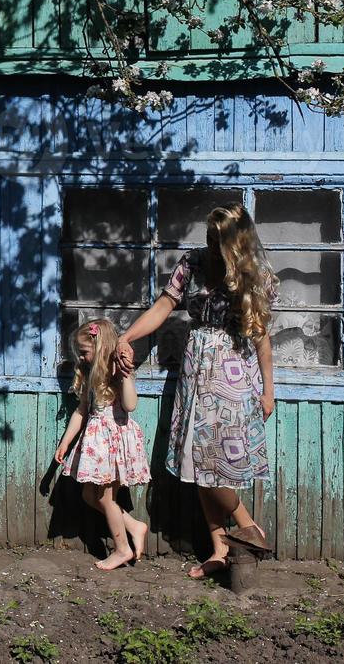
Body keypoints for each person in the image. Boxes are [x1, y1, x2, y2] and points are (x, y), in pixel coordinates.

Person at [115, 203, 276, 579]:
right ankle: (221, 547)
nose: (208, 244)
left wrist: (269, 391)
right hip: (196, 372)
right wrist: (128, 335)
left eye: (216, 239)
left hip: (234, 375)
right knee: (197, 461)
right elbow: (163, 306)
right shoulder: (192, 264)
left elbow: (263, 339)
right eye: (208, 236)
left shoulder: (256, 275)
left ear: (234, 243)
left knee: (218, 466)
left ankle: (248, 527)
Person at [54, 317, 151, 570]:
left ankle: (122, 549)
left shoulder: (116, 371)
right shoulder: (90, 375)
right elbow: (81, 411)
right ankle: (133, 526)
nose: (82, 358)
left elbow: (130, 405)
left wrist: (127, 376)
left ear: (99, 347)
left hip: (113, 442)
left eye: (85, 352)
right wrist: (65, 442)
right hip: (98, 443)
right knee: (90, 495)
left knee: (105, 498)